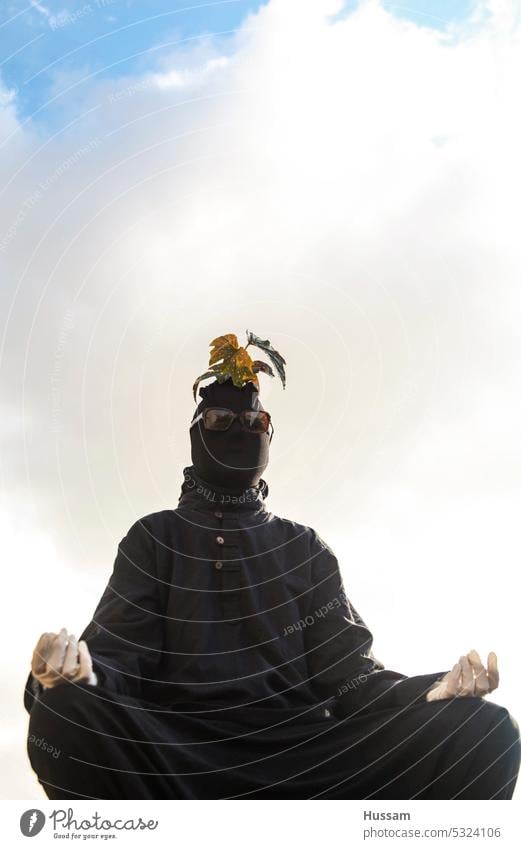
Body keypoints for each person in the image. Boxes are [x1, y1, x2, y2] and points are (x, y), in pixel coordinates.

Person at [24, 350, 520, 799]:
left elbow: (352, 679)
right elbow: (118, 658)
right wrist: (78, 673)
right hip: (176, 755)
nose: (240, 430)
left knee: (486, 732)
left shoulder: (304, 548)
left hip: (305, 758)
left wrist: (434, 692)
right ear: (197, 432)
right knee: (65, 714)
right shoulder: (155, 538)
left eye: (254, 419)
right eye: (220, 419)